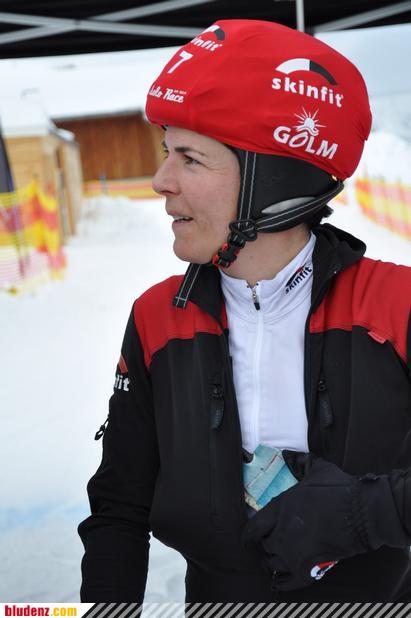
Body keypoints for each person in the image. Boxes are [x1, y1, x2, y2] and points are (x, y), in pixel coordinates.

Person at [78, 19, 411, 602]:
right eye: (166, 152)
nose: (161, 181)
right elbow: (119, 508)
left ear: (274, 177)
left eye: (190, 158)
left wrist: (363, 515)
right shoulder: (158, 317)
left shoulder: (396, 305)